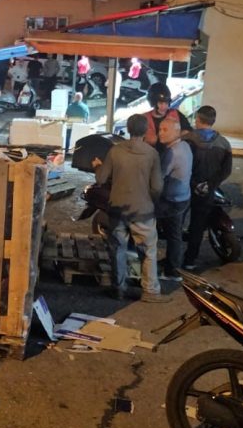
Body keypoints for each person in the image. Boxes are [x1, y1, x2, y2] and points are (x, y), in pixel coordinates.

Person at [94, 114, 168, 302]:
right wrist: (151, 200)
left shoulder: (115, 151)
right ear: (146, 131)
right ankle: (150, 291)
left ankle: (118, 288)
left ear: (127, 129)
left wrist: (97, 167)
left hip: (117, 209)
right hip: (143, 211)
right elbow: (158, 186)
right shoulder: (152, 154)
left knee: (118, 248)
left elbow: (101, 179)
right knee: (148, 251)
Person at [183, 105, 233, 269]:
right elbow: (226, 170)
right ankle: (190, 260)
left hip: (185, 188)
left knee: (176, 222)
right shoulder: (224, 144)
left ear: (198, 119)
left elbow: (181, 165)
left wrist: (193, 183)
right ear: (213, 121)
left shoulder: (188, 140)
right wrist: (210, 185)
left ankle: (172, 258)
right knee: (198, 225)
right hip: (207, 191)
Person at [157, 118, 192, 281]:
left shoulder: (172, 153)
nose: (160, 133)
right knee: (174, 234)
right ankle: (172, 263)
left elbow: (159, 178)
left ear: (176, 132)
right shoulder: (184, 146)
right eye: (159, 129)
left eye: (165, 130)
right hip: (183, 196)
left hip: (171, 200)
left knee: (171, 234)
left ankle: (172, 271)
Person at [143, 83, 191, 150]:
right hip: (152, 156)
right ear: (153, 103)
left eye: (166, 103)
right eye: (161, 103)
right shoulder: (144, 119)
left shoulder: (176, 114)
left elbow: (188, 131)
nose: (164, 106)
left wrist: (173, 137)